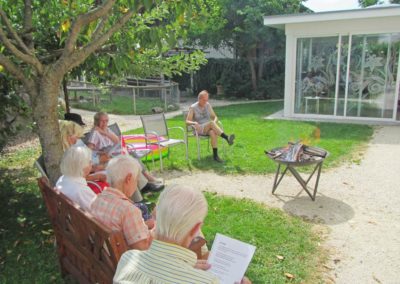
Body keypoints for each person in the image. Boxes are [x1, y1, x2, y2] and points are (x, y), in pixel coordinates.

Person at [87, 111, 164, 193]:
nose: (105, 123)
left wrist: (105, 133)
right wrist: (98, 153)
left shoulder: (106, 129)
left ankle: (147, 182)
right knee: (129, 160)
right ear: (97, 121)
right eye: (102, 121)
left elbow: (117, 140)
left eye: (106, 121)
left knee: (132, 154)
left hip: (113, 153)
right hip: (106, 158)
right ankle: (146, 183)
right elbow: (89, 150)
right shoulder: (95, 132)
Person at [91, 155, 153, 249]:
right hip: (123, 261)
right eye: (136, 180)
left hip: (103, 256)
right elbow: (142, 248)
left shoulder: (97, 199)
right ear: (128, 179)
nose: (136, 184)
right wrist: (158, 229)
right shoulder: (128, 210)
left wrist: (145, 225)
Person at [186, 90, 235, 163]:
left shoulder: (207, 105)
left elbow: (215, 117)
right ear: (199, 99)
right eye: (204, 100)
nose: (205, 102)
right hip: (199, 129)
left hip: (208, 127)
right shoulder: (193, 107)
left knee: (213, 132)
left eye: (206, 100)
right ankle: (227, 138)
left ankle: (215, 156)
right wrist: (194, 122)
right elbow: (187, 121)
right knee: (211, 123)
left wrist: (214, 123)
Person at [55, 146, 96, 212]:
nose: (92, 164)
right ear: (82, 166)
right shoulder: (81, 191)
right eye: (90, 162)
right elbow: (99, 213)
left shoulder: (62, 179)